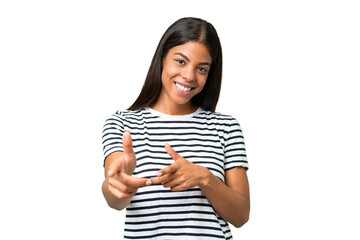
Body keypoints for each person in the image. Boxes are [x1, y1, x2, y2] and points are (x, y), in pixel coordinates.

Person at [102, 17, 250, 239]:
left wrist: (204, 178)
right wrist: (121, 183)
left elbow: (241, 216)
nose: (189, 76)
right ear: (162, 59)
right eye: (181, 61)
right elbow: (115, 198)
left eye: (201, 68)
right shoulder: (122, 123)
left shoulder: (226, 127)